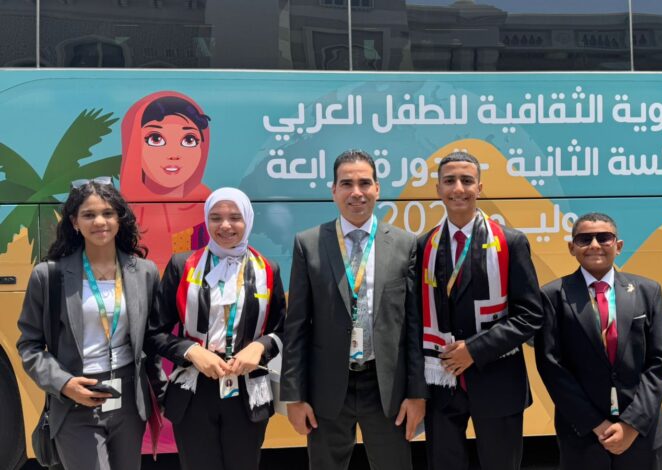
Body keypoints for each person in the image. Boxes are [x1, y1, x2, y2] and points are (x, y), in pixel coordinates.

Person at [281, 149, 426, 470]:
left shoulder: (405, 244)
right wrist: (295, 396)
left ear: (377, 189)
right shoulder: (309, 243)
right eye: (347, 184)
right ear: (334, 190)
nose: (356, 192)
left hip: (386, 388)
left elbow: (414, 325)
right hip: (327, 388)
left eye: (364, 183)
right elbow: (297, 326)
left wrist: (417, 394)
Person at [17, 178, 161, 470]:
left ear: (119, 219)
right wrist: (64, 383)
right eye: (89, 215)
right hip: (75, 400)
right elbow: (29, 346)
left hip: (128, 401)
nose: (100, 222)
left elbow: (152, 339)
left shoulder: (144, 272)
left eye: (108, 213)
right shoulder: (49, 275)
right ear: (74, 222)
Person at [419, 151, 543, 470]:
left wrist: (474, 350)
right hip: (441, 384)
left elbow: (530, 315)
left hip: (498, 381)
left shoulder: (511, 242)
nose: (458, 188)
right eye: (449, 181)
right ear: (438, 189)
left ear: (480, 187)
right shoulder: (424, 246)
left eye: (467, 180)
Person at [145, 187, 285, 470]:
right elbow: (154, 333)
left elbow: (284, 331)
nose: (225, 226)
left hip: (247, 391)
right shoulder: (183, 265)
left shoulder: (268, 269)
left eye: (235, 217)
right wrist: (191, 351)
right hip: (194, 392)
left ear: (248, 220)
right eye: (216, 217)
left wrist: (259, 348)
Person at [535, 212, 662, 470]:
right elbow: (552, 367)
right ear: (572, 248)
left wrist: (631, 425)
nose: (595, 245)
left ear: (618, 246)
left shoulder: (648, 291)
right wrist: (596, 425)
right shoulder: (552, 296)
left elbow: (658, 364)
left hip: (641, 433)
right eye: (584, 239)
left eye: (604, 238)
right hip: (583, 434)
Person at [119, 91, 212, 267]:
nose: (174, 154)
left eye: (189, 140)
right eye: (155, 139)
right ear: (133, 143)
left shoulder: (208, 207)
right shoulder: (118, 211)